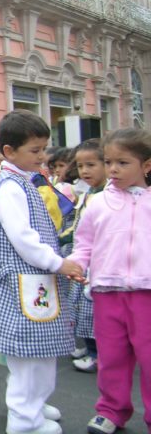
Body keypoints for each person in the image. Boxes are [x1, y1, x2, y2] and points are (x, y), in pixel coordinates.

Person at [0, 110, 83, 434]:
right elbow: (24, 239)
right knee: (27, 358)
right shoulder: (12, 187)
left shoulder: (21, 181)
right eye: (36, 150)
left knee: (41, 351)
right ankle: (24, 419)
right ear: (10, 151)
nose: (43, 157)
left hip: (34, 283)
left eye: (44, 149)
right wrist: (58, 262)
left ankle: (35, 404)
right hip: (23, 283)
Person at [70, 128, 151, 434]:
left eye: (123, 162)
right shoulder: (98, 203)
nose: (113, 169)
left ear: (146, 165)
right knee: (112, 356)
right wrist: (77, 265)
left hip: (146, 292)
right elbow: (84, 243)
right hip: (105, 291)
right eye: (109, 161)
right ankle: (112, 409)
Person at [58, 138, 105, 374]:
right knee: (81, 308)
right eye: (81, 165)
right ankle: (88, 348)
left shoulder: (106, 196)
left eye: (91, 165)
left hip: (98, 263)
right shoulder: (88, 193)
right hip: (83, 260)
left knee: (93, 311)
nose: (84, 171)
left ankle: (98, 354)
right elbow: (77, 226)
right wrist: (61, 238)